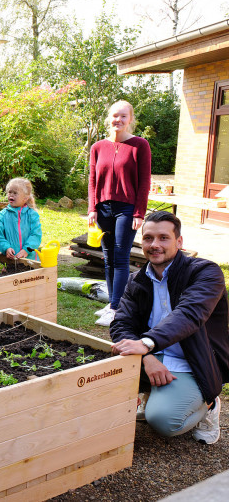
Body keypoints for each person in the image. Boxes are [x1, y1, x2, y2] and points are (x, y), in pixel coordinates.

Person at [110, 211, 229, 445]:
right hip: (153, 355)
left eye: (163, 238)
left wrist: (145, 345)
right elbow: (121, 323)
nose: (155, 245)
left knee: (164, 421)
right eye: (148, 238)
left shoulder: (205, 273)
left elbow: (189, 315)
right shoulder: (137, 280)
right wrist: (147, 356)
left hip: (194, 361)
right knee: (94, 381)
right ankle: (156, 394)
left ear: (179, 242)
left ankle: (209, 403)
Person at [89, 100, 152, 327]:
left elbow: (144, 181)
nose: (119, 120)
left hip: (127, 208)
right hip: (104, 208)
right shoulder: (97, 147)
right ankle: (113, 303)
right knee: (108, 259)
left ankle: (117, 308)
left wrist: (139, 213)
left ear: (130, 120)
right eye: (115, 116)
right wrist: (92, 208)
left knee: (121, 257)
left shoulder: (140, 145)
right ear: (109, 118)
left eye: (123, 116)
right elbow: (93, 180)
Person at [0, 178, 42, 260]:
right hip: (9, 260)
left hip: (30, 259)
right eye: (9, 192)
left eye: (15, 193)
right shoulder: (1, 216)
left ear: (25, 198)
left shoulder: (32, 215)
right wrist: (6, 248)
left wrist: (26, 250)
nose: (11, 195)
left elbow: (35, 235)